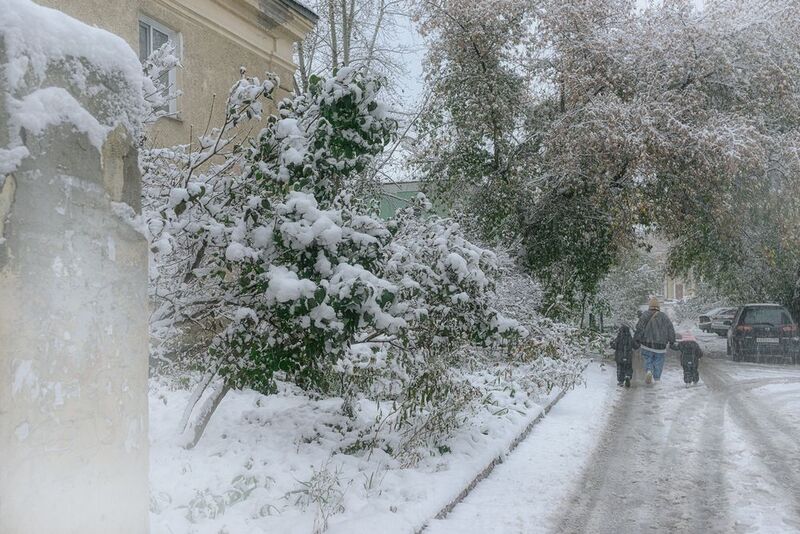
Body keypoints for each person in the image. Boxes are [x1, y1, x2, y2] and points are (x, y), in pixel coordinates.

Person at [634, 297, 676, 385]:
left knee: (647, 359)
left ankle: (649, 371)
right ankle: (657, 378)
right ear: (658, 307)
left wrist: (636, 339)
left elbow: (639, 328)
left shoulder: (644, 315)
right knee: (658, 361)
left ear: (650, 306)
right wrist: (672, 341)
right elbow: (670, 329)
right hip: (661, 345)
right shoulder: (664, 316)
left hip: (646, 343)